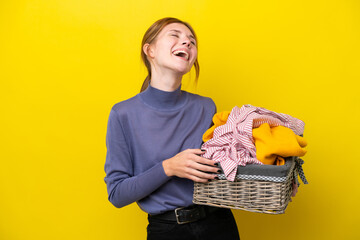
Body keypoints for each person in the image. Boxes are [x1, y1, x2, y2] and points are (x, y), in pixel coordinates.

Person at [104, 17, 240, 240]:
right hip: (167, 231)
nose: (187, 42)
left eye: (192, 41)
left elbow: (226, 165)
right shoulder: (123, 114)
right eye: (175, 35)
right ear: (150, 50)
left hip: (219, 224)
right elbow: (117, 194)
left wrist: (275, 178)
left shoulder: (206, 106)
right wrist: (169, 167)